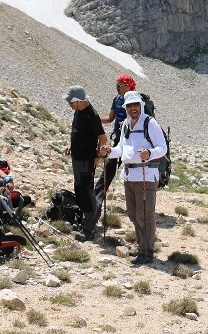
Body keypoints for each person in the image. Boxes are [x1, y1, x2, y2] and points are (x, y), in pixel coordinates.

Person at [106, 91, 167, 265]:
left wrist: (149, 154)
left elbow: (162, 148)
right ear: (125, 108)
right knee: (133, 214)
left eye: (136, 105)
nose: (133, 108)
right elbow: (121, 149)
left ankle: (147, 252)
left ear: (141, 106)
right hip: (129, 175)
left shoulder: (150, 123)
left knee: (145, 215)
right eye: (129, 106)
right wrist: (110, 151)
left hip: (145, 175)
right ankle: (142, 247)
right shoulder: (126, 124)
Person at [63, 85, 108, 240]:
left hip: (86, 160)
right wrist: (71, 145)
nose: (69, 104)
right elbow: (76, 131)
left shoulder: (91, 115)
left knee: (86, 193)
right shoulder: (79, 111)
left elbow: (102, 139)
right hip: (77, 158)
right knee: (80, 189)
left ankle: (89, 229)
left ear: (79, 101)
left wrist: (97, 157)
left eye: (71, 102)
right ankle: (87, 221)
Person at [97, 74, 135, 212]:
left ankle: (138, 202)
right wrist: (95, 119)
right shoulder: (117, 99)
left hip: (134, 143)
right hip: (119, 141)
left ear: (128, 85)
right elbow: (110, 117)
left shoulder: (136, 100)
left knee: (133, 172)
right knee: (109, 168)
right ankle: (97, 198)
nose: (117, 87)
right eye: (117, 85)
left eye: (120, 85)